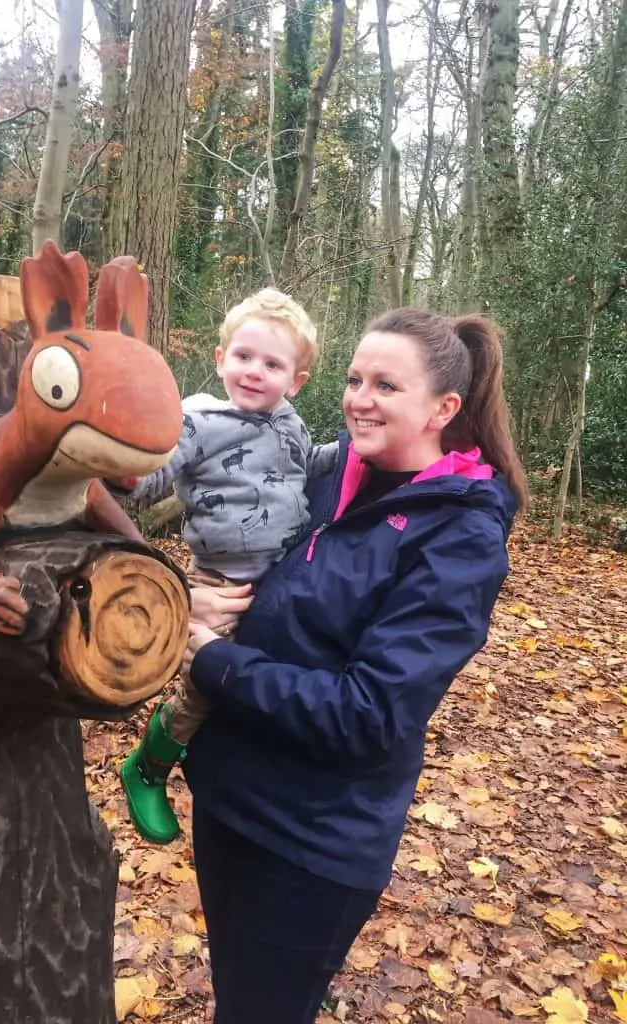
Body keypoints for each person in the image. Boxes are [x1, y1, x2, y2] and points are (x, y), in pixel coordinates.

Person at [180, 308, 529, 1024]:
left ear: (444, 408)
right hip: (229, 796)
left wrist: (215, 661)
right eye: (353, 378)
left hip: (312, 841)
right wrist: (194, 598)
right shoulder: (329, 469)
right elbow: (234, 530)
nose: (358, 398)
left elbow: (368, 715)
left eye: (385, 386)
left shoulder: (460, 535)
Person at [120, 288, 337, 844]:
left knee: (269, 677)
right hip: (219, 580)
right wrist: (123, 469)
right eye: (243, 356)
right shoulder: (198, 420)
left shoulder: (290, 422)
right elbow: (152, 479)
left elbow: (300, 470)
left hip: (282, 574)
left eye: (272, 364)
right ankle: (148, 765)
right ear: (220, 360)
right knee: (204, 685)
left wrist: (348, 451)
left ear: (296, 380)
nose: (254, 372)